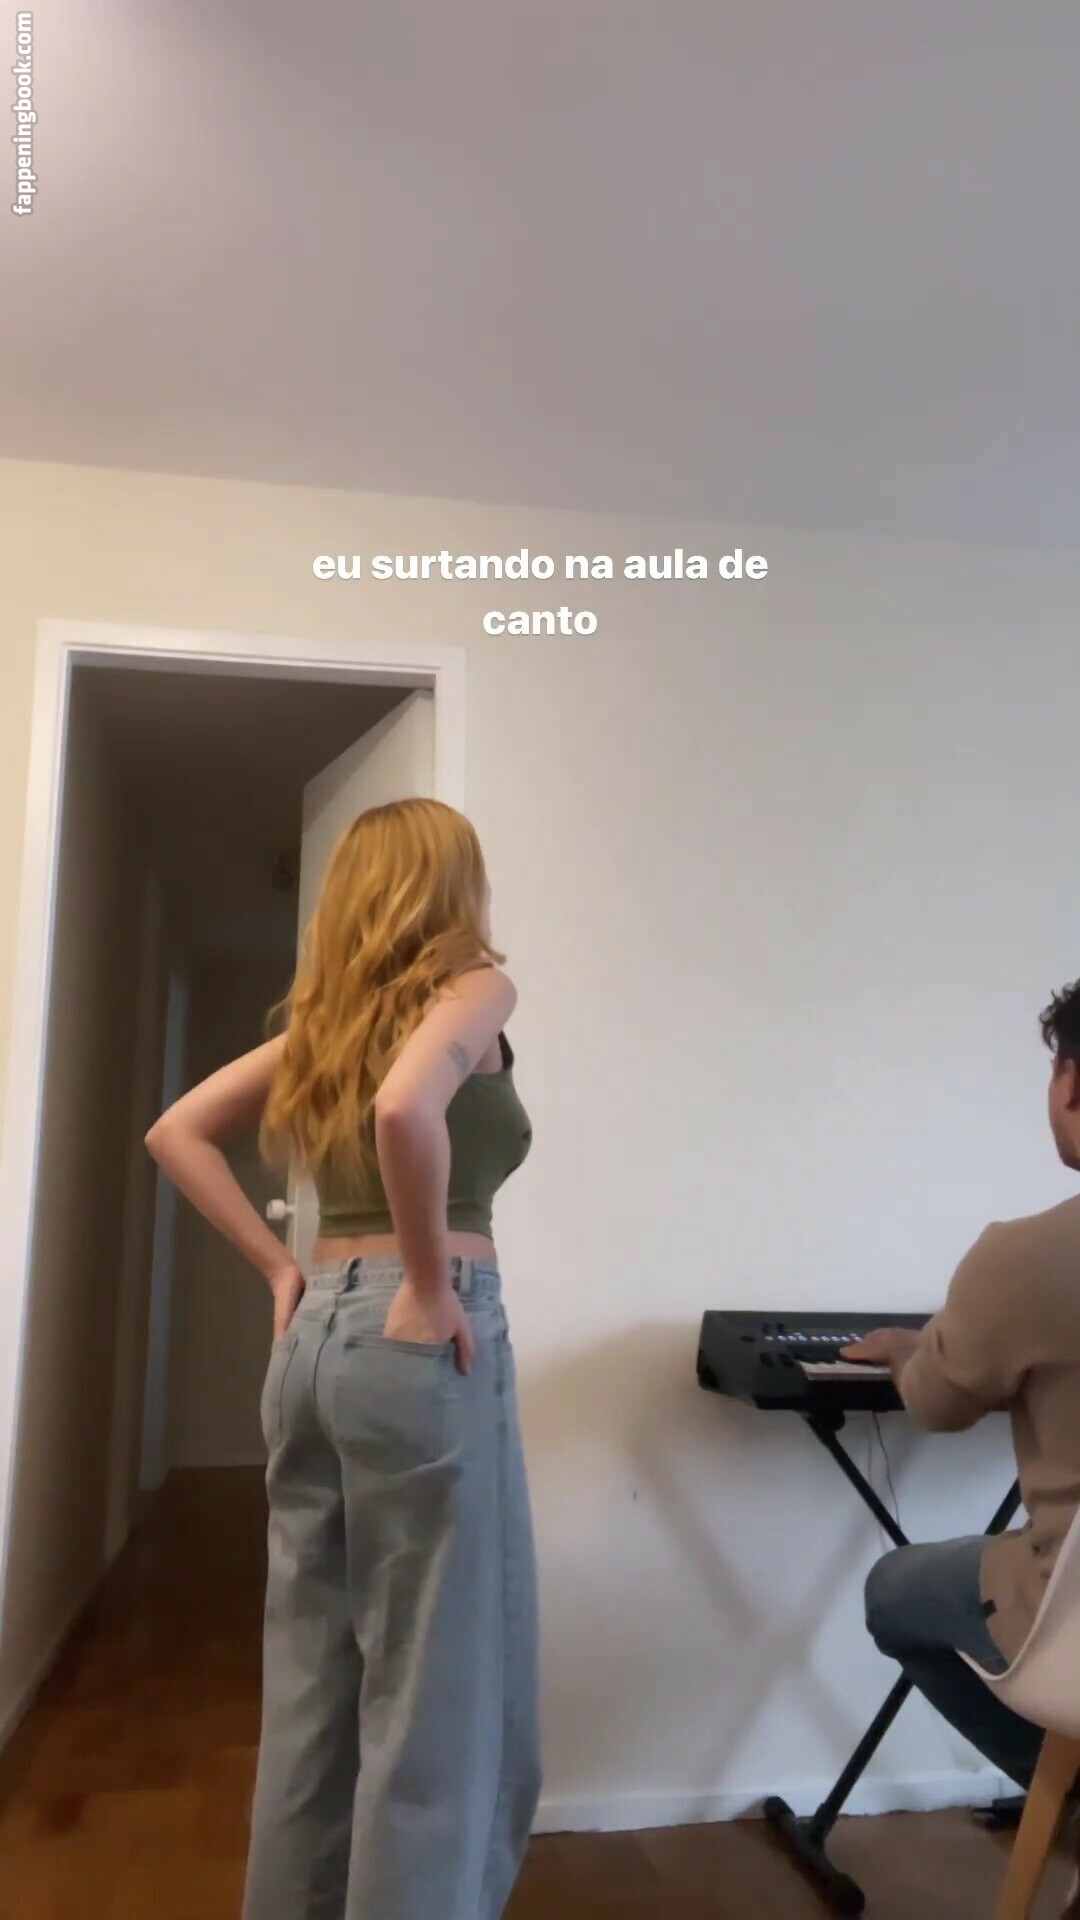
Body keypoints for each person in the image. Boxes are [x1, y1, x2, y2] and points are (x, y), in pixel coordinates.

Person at [146, 797, 541, 1920]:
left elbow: (175, 1130)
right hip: (418, 1345)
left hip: (315, 1337)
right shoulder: (479, 988)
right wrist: (429, 1282)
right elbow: (406, 1110)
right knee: (436, 1687)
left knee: (314, 1678)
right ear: (451, 885)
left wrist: (283, 1270)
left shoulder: (326, 1026)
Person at [844, 979, 1080, 1913]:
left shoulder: (1027, 1256)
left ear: (1071, 1083)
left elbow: (939, 1405)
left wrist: (915, 1351)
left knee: (894, 1591)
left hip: (1074, 1616)